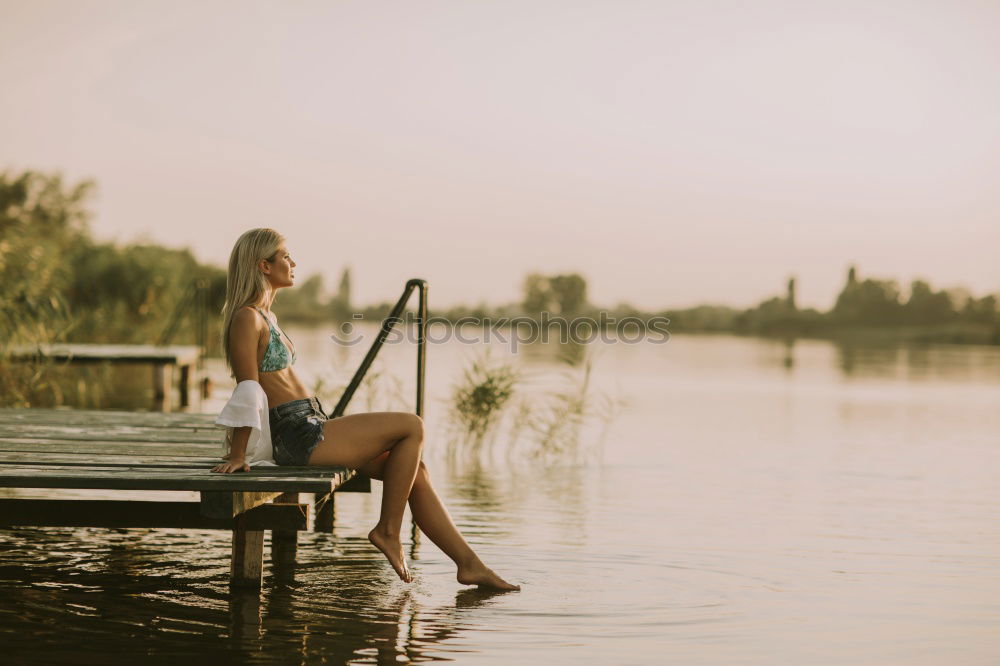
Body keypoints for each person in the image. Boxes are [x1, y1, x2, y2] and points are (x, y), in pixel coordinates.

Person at [211, 228, 518, 590]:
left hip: (310, 422)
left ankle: (469, 565)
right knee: (411, 425)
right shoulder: (248, 318)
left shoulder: (267, 317)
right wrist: (238, 452)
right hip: (296, 434)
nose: (293, 263)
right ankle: (388, 531)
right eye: (285, 256)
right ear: (264, 265)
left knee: (414, 469)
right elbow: (248, 389)